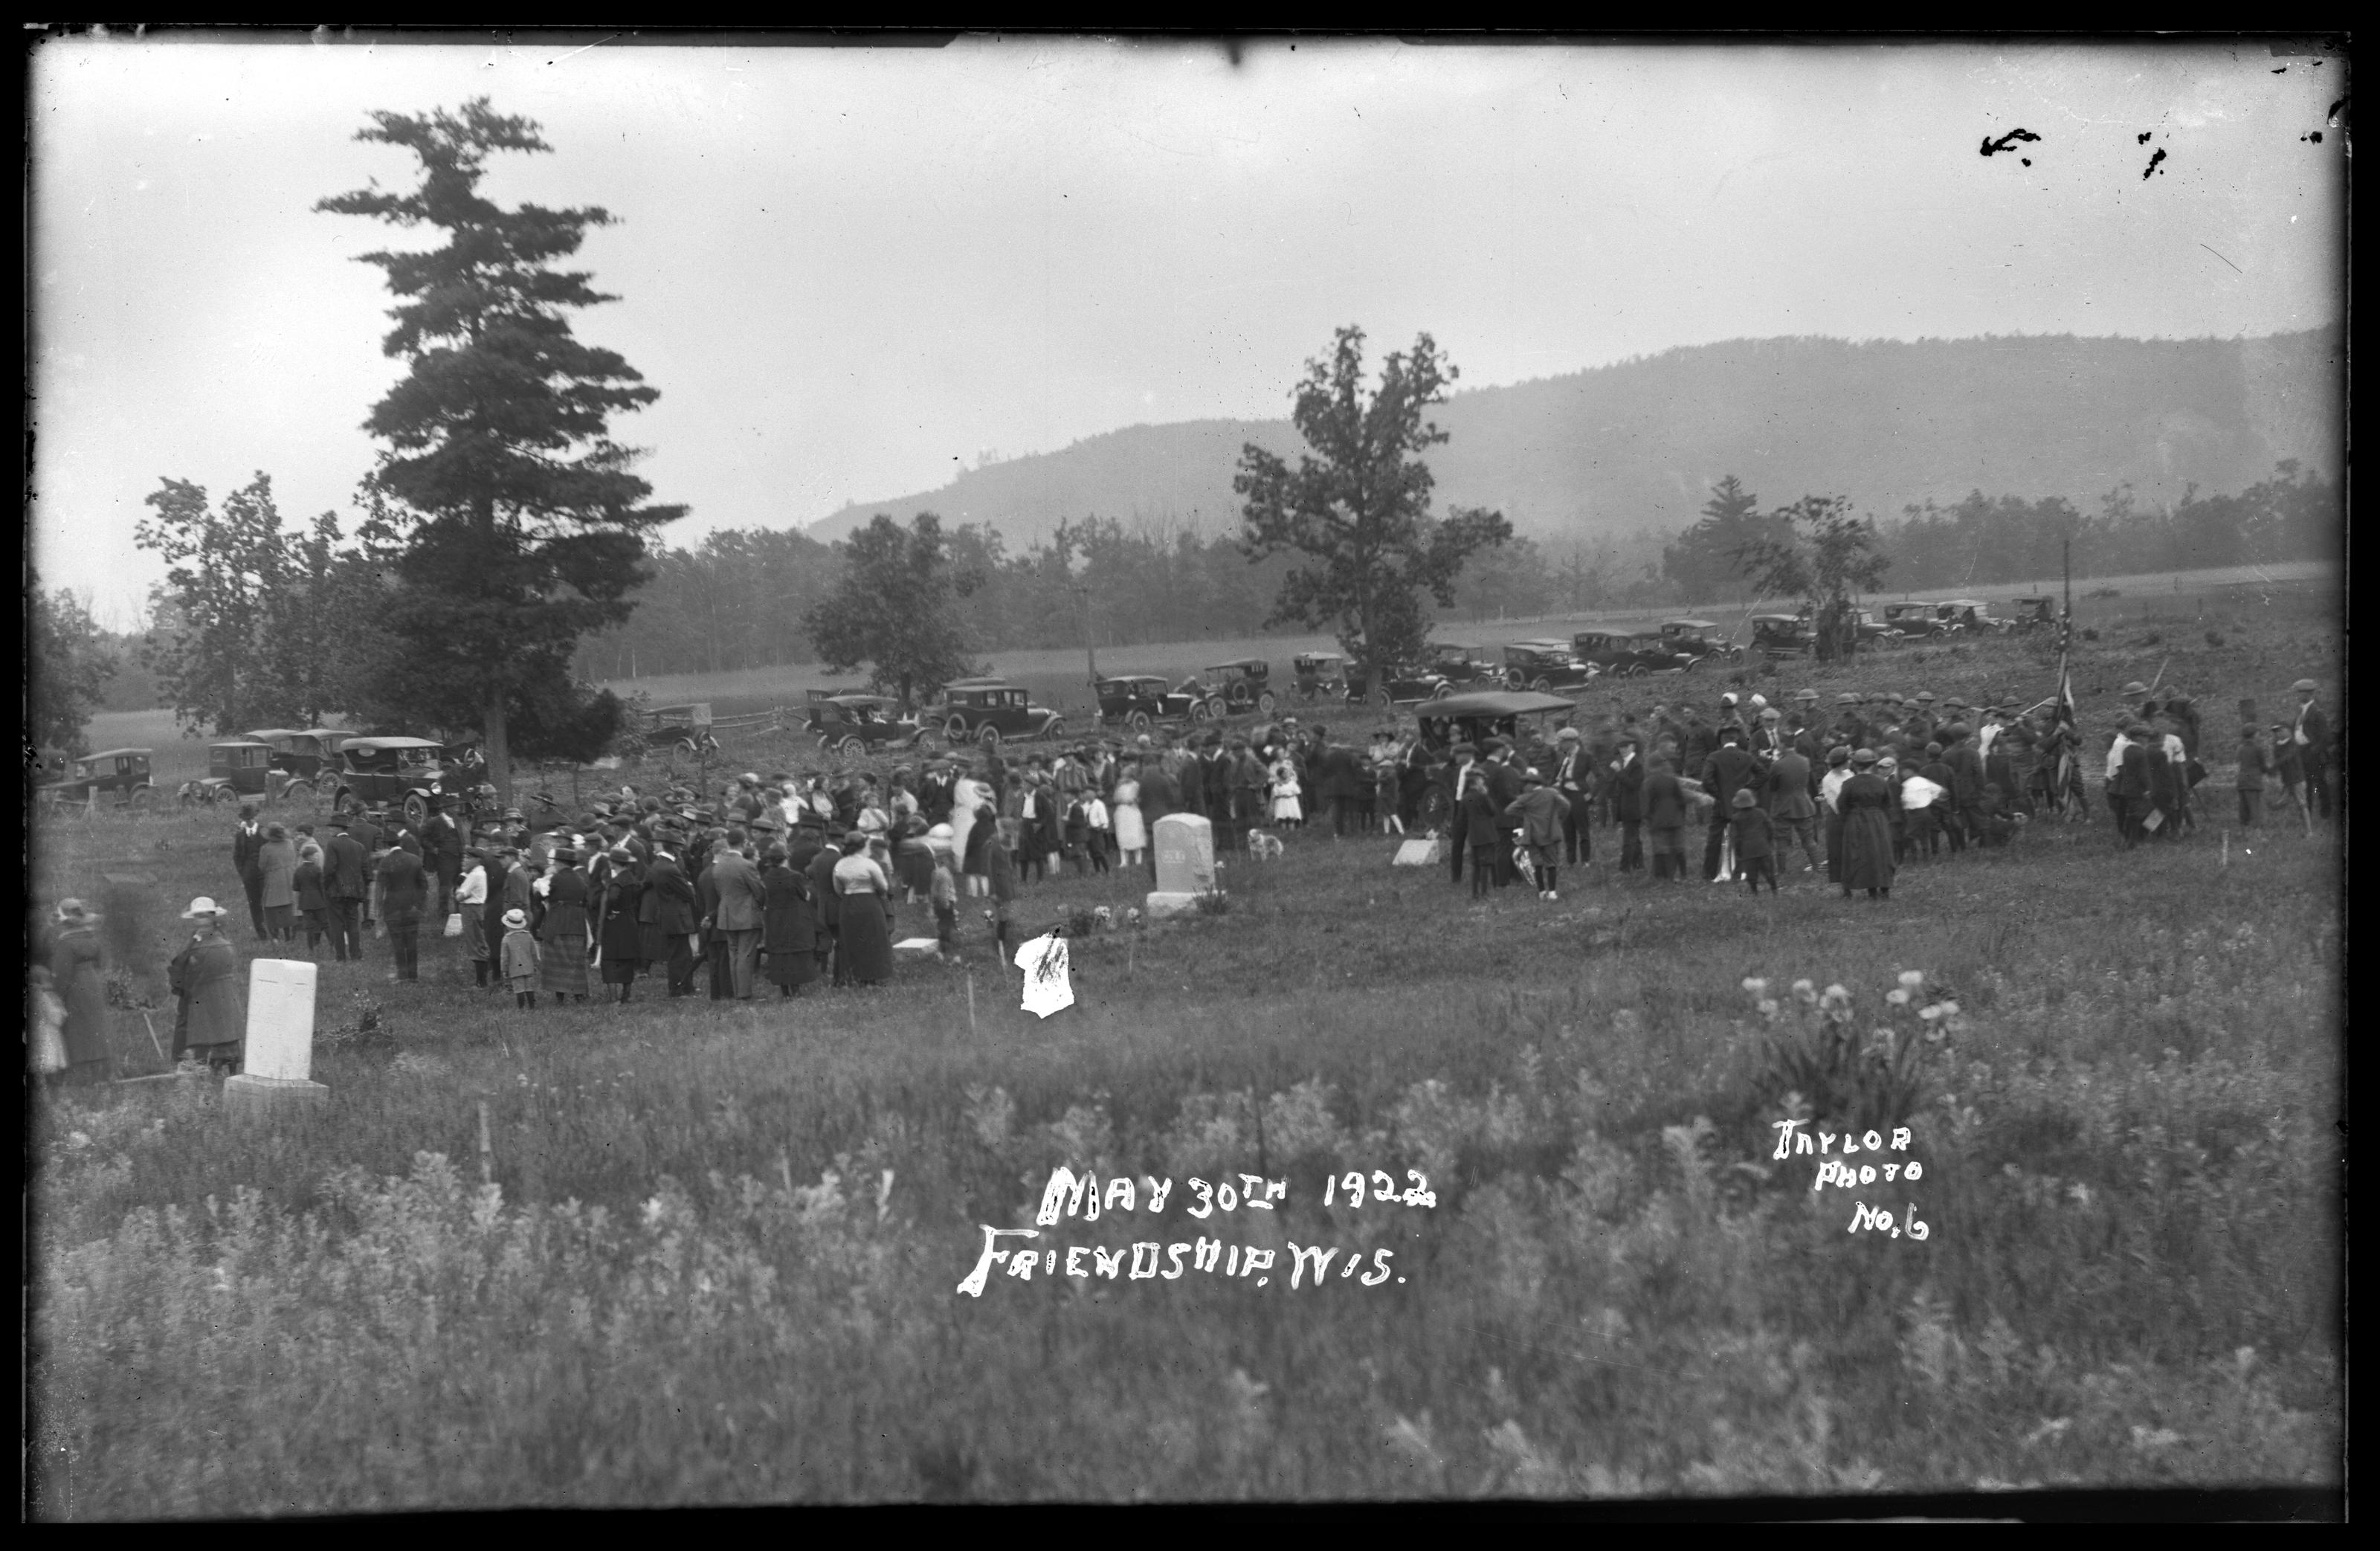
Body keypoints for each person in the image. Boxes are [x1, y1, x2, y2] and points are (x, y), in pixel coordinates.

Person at [171, 898, 244, 1071]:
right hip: (203, 991)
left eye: (205, 916)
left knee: (216, 1026)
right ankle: (199, 1062)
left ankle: (216, 1061)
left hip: (210, 990)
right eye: (198, 917)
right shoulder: (196, 940)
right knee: (206, 1024)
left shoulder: (217, 942)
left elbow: (204, 966)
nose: (202, 921)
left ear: (213, 918)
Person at [48, 900, 112, 1087]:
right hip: (93, 983)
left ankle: (83, 1076)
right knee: (96, 1026)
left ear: (65, 924)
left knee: (78, 1029)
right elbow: (101, 963)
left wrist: (57, 995)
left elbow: (62, 974)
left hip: (75, 986)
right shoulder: (92, 939)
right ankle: (102, 1072)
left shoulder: (65, 943)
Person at [706, 829, 768, 999]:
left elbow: (720, 891)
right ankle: (744, 994)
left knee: (734, 955)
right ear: (744, 842)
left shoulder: (718, 865)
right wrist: (760, 907)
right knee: (745, 955)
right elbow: (759, 891)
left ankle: (737, 991)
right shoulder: (746, 865)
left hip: (726, 915)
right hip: (747, 916)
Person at [833, 830, 895, 987]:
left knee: (851, 939)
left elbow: (838, 889)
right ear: (862, 846)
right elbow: (883, 886)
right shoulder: (869, 864)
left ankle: (854, 975)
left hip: (848, 903)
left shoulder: (840, 864)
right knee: (872, 938)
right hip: (869, 903)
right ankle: (871, 976)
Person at [1700, 727, 1761, 883]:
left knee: (1714, 839)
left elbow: (1706, 780)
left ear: (1722, 740)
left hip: (1721, 804)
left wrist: (1718, 795)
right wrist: (1747, 790)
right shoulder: (1746, 757)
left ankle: (1709, 873)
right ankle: (1740, 871)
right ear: (1736, 739)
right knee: (1742, 837)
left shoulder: (1714, 757)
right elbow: (1763, 774)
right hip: (1741, 804)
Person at [1836, 749, 1897, 900]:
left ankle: (1871, 890)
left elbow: (1841, 804)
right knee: (1881, 852)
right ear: (1872, 765)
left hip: (1856, 820)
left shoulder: (1849, 783)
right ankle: (1884, 888)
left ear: (1856, 765)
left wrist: (1848, 818)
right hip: (1878, 820)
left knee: (1860, 853)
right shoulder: (1881, 782)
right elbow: (1888, 803)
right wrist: (1882, 817)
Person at [1503, 770, 1573, 901]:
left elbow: (1509, 810)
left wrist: (1525, 815)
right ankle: (1552, 892)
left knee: (1537, 865)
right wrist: (1558, 818)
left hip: (1533, 836)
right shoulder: (1551, 793)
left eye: (1525, 784)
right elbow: (1566, 805)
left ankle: (1541, 892)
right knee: (1551, 864)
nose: (1524, 787)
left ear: (1531, 784)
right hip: (1550, 833)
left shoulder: (1525, 798)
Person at [536, 848, 592, 1003]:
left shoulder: (556, 878)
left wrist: (538, 892)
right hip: (577, 924)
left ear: (560, 863)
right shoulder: (580, 879)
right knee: (576, 960)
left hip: (558, 922)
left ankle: (560, 997)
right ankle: (579, 994)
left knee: (558, 960)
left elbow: (542, 895)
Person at [761, 846, 819, 996]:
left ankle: (784, 990)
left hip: (774, 918)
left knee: (779, 952)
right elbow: (805, 896)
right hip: (793, 917)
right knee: (794, 951)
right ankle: (796, 988)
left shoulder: (766, 877)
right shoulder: (795, 876)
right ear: (785, 859)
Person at [596, 847, 648, 1003]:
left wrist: (612, 912)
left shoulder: (617, 882)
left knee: (610, 959)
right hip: (629, 920)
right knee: (627, 959)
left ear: (615, 862)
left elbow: (612, 898)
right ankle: (626, 994)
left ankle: (614, 998)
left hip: (615, 922)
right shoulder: (631, 878)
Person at [1763, 741, 1822, 876]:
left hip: (1782, 806)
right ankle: (1817, 867)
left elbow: (1772, 787)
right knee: (1808, 839)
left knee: (1781, 840)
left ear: (1782, 746)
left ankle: (1781, 872)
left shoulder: (1777, 765)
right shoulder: (1805, 761)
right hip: (1803, 805)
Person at [379, 833, 430, 981]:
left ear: (386, 845)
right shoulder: (415, 859)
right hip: (412, 908)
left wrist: (380, 910)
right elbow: (424, 885)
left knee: (398, 943)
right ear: (400, 843)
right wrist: (418, 905)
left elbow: (382, 888)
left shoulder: (385, 862)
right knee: (412, 942)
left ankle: (402, 976)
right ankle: (413, 976)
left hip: (393, 908)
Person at [323, 818, 368, 962]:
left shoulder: (332, 844)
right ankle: (356, 955)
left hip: (336, 890)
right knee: (353, 924)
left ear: (338, 828)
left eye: (332, 827)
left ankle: (340, 957)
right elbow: (365, 871)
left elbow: (329, 869)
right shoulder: (359, 846)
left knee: (337, 925)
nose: (330, 830)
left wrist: (325, 886)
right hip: (354, 892)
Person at [1642, 757, 1689, 883]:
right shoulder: (1672, 779)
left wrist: (1647, 817)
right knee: (1679, 848)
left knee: (1662, 849)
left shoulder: (1649, 782)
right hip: (1676, 818)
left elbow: (1647, 803)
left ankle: (1667, 877)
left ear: (1650, 767)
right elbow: (1682, 800)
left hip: (1658, 820)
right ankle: (1684, 875)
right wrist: (1681, 816)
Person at [2290, 679, 2331, 819]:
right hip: (2301, 753)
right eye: (2298, 693)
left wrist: (2314, 751)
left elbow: (2326, 737)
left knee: (2320, 783)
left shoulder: (2317, 712)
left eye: (2301, 693)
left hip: (2314, 754)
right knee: (2305, 785)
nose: (2299, 696)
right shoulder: (2300, 711)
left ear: (2309, 694)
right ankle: (2307, 815)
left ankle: (2326, 814)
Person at [1729, 789, 1778, 894]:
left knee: (1751, 874)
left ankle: (1755, 893)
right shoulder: (1761, 812)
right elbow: (1771, 828)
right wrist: (1769, 841)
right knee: (1769, 872)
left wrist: (1738, 851)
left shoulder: (1736, 818)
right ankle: (1775, 891)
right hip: (1763, 847)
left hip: (1747, 850)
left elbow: (1736, 837)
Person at [255, 822, 297, 941]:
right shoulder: (290, 844)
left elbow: (262, 866)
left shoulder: (266, 848)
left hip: (274, 879)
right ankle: (289, 935)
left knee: (272, 906)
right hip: (290, 877)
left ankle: (275, 936)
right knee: (288, 904)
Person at [1610, 738, 1646, 874]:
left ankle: (1624, 869)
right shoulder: (1625, 762)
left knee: (1629, 839)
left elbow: (1633, 785)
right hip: (1627, 806)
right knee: (1634, 838)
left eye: (1626, 746)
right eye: (1621, 747)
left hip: (1633, 807)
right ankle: (1639, 866)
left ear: (1633, 747)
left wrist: (1619, 771)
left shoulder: (1637, 764)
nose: (1623, 749)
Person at [233, 804, 268, 938]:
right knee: (254, 903)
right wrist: (243, 873)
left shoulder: (264, 832)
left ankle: (272, 931)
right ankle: (261, 933)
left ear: (255, 817)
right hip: (249, 874)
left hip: (264, 873)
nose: (249, 821)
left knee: (267, 902)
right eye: (246, 819)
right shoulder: (240, 835)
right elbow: (237, 856)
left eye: (251, 818)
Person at [293, 841, 330, 957]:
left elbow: (295, 887)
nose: (317, 857)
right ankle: (333, 944)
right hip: (318, 901)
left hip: (305, 901)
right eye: (315, 856)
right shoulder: (317, 869)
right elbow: (322, 886)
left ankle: (311, 949)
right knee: (325, 923)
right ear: (310, 856)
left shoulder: (298, 870)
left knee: (309, 926)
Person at [500, 908, 541, 1010]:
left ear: (508, 925)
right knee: (529, 987)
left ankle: (521, 1008)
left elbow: (505, 957)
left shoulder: (507, 939)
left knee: (519, 989)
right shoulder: (529, 936)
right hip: (529, 967)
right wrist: (535, 964)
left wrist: (505, 969)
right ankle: (532, 1006)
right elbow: (534, 952)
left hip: (515, 969)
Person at [1113, 761, 1147, 869]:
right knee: (1122, 834)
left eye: (1126, 776)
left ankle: (1138, 860)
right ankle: (1124, 860)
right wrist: (1121, 797)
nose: (1124, 778)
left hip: (1133, 810)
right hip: (1122, 811)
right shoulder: (1119, 785)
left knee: (1135, 833)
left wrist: (1134, 800)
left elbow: (1140, 798)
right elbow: (1115, 799)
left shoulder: (1136, 785)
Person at [929, 848, 961, 961]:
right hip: (945, 905)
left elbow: (933, 890)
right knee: (948, 929)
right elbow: (944, 892)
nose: (954, 863)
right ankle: (948, 954)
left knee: (942, 927)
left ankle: (941, 952)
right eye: (953, 860)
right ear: (946, 860)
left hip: (937, 904)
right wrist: (947, 904)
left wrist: (933, 904)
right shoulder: (946, 875)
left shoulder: (936, 872)